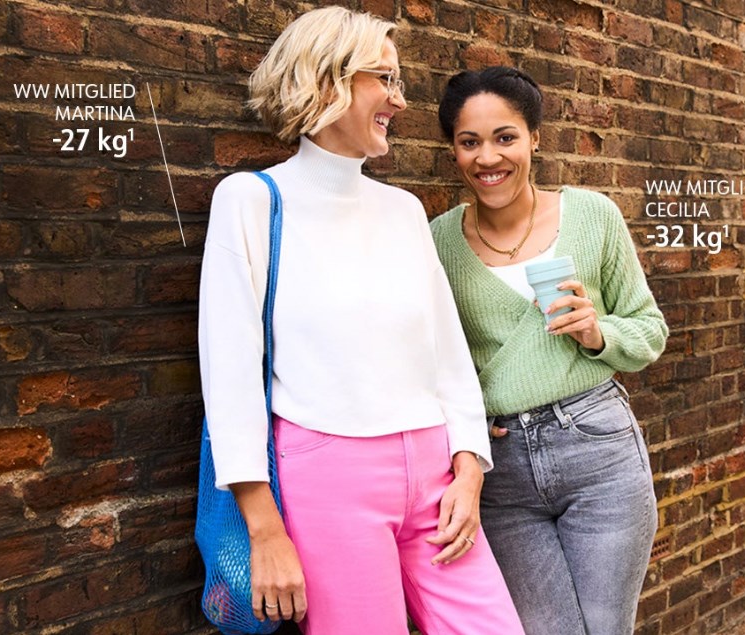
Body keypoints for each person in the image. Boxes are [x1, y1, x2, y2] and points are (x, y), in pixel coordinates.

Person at [198, 9, 524, 635]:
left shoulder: (403, 210)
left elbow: (446, 351)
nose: (400, 101)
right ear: (328, 81)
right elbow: (230, 375)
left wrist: (469, 464)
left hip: (436, 473)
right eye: (386, 79)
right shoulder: (251, 201)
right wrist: (264, 529)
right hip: (328, 476)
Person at [430, 66, 669, 635]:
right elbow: (431, 358)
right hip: (501, 469)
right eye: (470, 142)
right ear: (454, 151)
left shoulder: (593, 216)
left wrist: (597, 331)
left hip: (598, 449)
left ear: (534, 138)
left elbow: (650, 330)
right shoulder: (436, 240)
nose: (488, 158)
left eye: (505, 137)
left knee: (607, 628)